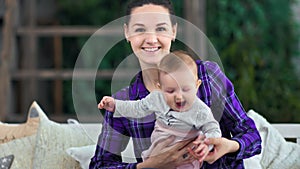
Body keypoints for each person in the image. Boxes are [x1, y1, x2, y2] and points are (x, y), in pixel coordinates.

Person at [89, 0, 262, 168]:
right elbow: (99, 165)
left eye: (161, 29)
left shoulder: (208, 76)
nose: (151, 39)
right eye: (140, 29)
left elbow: (252, 137)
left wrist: (228, 146)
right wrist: (148, 166)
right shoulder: (123, 102)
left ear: (173, 31)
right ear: (127, 33)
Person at [98, 51, 222, 169]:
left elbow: (213, 129)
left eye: (186, 89)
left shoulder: (200, 110)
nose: (179, 96)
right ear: (160, 88)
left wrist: (206, 144)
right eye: (170, 91)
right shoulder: (157, 98)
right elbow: (136, 108)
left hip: (186, 158)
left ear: (197, 85)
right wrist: (115, 105)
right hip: (156, 154)